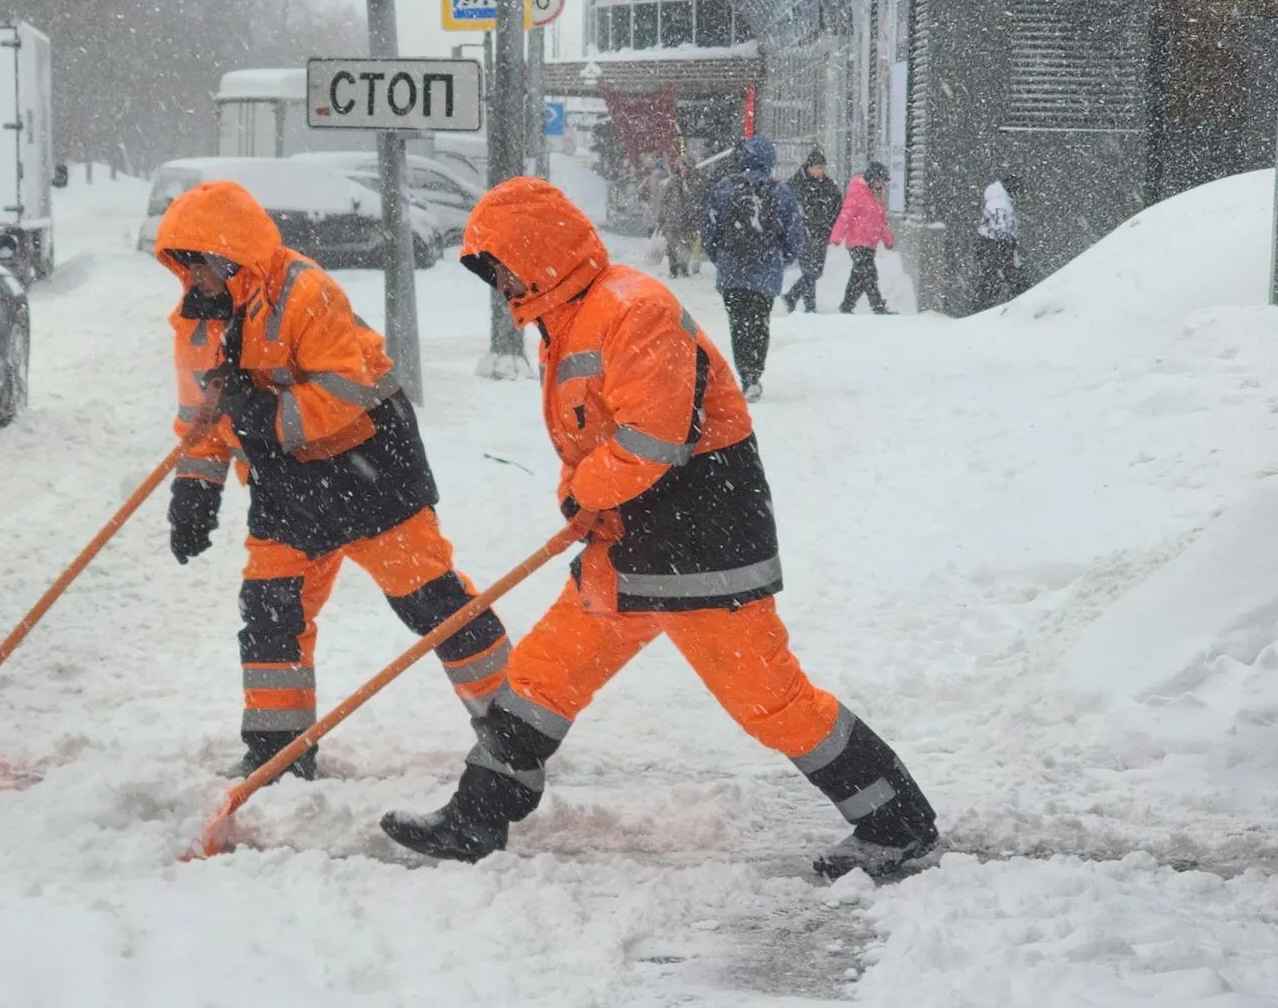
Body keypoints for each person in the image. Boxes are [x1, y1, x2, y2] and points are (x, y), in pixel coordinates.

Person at [380, 177, 942, 881]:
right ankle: (477, 816)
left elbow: (653, 438)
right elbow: (592, 437)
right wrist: (580, 495)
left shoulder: (632, 310)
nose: (501, 284)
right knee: (542, 676)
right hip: (630, 544)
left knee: (771, 701)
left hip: (700, 549)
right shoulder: (570, 316)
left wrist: (585, 493)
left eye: (504, 266)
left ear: (539, 254)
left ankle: (897, 824)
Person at [158, 180, 514, 782]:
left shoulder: (305, 293)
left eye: (199, 265)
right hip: (284, 486)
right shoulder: (197, 327)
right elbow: (202, 421)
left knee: (433, 602)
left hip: (370, 469)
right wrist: (196, 489)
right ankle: (278, 752)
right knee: (271, 612)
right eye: (182, 266)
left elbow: (345, 392)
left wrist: (260, 415)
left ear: (230, 258)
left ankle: (514, 725)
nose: (191, 281)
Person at [699, 136, 805, 403]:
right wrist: (782, 259)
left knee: (738, 324)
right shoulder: (780, 191)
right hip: (766, 272)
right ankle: (754, 376)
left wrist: (720, 257)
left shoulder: (724, 188)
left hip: (732, 270)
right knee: (759, 322)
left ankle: (744, 372)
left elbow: (709, 230)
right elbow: (794, 233)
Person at [829, 163, 897, 314]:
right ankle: (877, 306)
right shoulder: (857, 194)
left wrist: (888, 240)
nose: (882, 185)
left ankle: (846, 306)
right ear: (872, 179)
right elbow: (845, 217)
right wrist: (836, 237)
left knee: (859, 277)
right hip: (857, 242)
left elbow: (882, 222)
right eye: (881, 181)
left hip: (870, 243)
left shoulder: (877, 197)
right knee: (869, 274)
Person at [784, 150, 842, 313]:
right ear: (809, 167)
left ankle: (792, 296)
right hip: (802, 233)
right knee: (808, 270)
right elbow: (788, 206)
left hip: (821, 232)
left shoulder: (828, 185)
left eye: (822, 168)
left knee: (815, 271)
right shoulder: (796, 183)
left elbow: (837, 205)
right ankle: (809, 306)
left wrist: (829, 225)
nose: (820, 171)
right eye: (817, 168)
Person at [976, 173, 1025, 308]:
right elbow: (1001, 228)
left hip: (988, 244)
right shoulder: (1000, 205)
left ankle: (985, 306)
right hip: (996, 245)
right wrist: (1009, 243)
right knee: (1003, 277)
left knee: (990, 277)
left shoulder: (994, 202)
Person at [657, 158, 704, 279]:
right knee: (672, 244)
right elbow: (663, 201)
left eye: (686, 167)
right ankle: (673, 268)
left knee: (687, 244)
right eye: (681, 167)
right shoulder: (673, 181)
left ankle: (684, 267)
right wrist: (661, 217)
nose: (684, 169)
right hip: (673, 218)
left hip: (689, 219)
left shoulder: (695, 181)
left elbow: (699, 199)